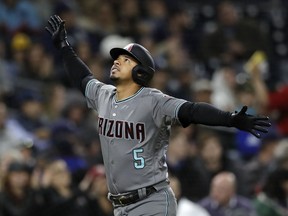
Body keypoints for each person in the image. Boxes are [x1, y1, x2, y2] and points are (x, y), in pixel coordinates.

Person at [45, 15, 271, 216]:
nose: (116, 61)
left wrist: (230, 119)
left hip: (150, 202)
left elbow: (191, 110)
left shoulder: (154, 101)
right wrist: (64, 47)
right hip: (119, 206)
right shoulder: (103, 95)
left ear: (140, 71)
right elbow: (82, 78)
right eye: (117, 58)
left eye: (125, 60)